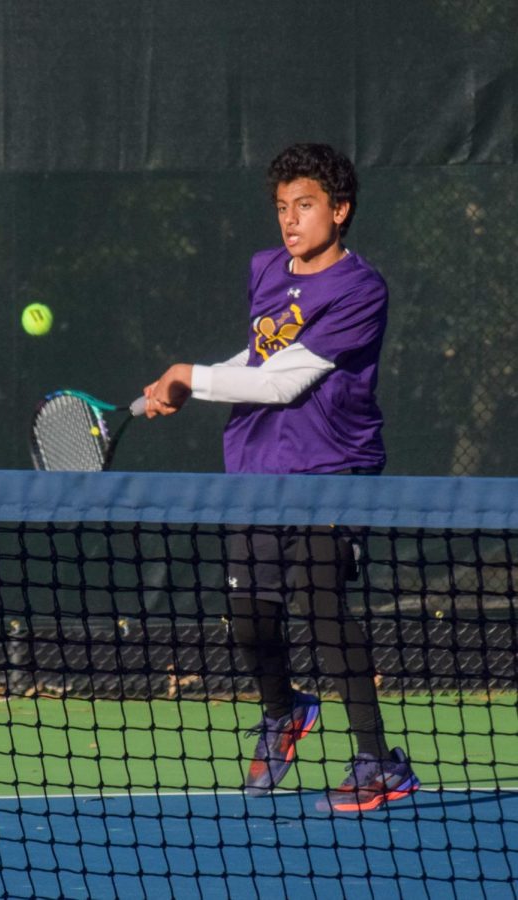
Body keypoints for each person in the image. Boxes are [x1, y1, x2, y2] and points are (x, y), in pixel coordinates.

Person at [142, 143, 420, 813]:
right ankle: (283, 710)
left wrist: (189, 374)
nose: (289, 220)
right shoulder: (265, 269)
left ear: (339, 209)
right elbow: (260, 352)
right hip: (255, 466)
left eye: (304, 206)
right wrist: (191, 380)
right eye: (280, 208)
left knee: (321, 606)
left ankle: (379, 763)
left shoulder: (360, 289)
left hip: (331, 467)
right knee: (247, 615)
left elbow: (285, 379)